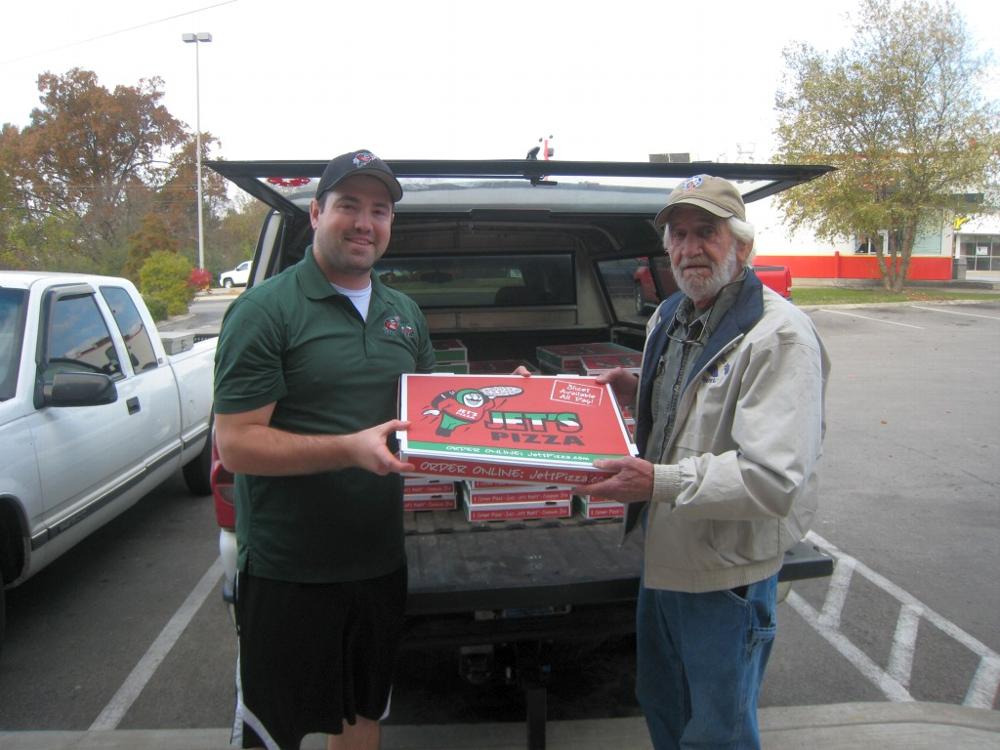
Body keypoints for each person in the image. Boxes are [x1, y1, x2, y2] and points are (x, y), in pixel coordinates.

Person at [575, 174, 830, 750]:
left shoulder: (780, 337)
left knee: (719, 730)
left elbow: (772, 477)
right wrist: (634, 384)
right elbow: (701, 394)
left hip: (725, 574)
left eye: (706, 233)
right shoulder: (673, 313)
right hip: (665, 561)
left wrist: (658, 481)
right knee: (664, 706)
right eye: (678, 235)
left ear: (741, 244)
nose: (690, 248)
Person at [213, 149, 435, 750]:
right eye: (348, 205)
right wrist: (348, 449)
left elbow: (434, 417)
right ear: (316, 212)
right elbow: (235, 446)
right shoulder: (264, 311)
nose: (365, 222)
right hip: (290, 570)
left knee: (361, 716)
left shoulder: (404, 314)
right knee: (274, 728)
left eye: (380, 210)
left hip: (378, 562)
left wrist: (508, 403)